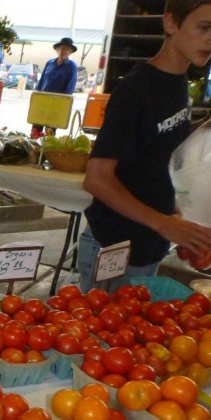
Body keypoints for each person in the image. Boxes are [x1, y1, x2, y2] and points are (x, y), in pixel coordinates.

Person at [79, 0, 211, 293]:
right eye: (204, 27)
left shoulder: (179, 84)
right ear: (170, 22)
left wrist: (179, 218)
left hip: (149, 246)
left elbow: (157, 167)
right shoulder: (135, 89)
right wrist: (164, 223)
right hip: (113, 246)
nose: (210, 39)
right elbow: (96, 178)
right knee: (97, 324)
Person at [31, 37, 79, 138]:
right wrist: (37, 96)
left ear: (70, 52)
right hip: (43, 100)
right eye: (62, 48)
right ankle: (33, 145)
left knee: (50, 132)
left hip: (57, 103)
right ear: (57, 50)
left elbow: (69, 87)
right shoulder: (50, 63)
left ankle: (47, 148)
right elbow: (42, 81)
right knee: (36, 129)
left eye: (67, 49)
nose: (64, 51)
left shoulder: (72, 66)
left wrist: (63, 103)